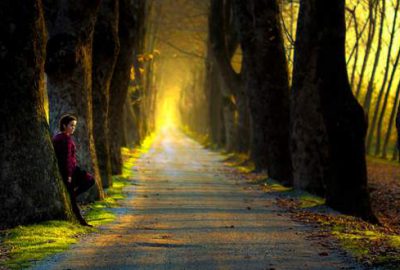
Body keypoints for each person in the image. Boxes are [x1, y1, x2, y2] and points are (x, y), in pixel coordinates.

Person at [52, 114, 94, 226]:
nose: (73, 128)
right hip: (68, 171)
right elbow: (65, 159)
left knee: (90, 180)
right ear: (64, 125)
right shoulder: (63, 139)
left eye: (74, 126)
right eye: (71, 125)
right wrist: (69, 175)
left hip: (72, 169)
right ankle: (81, 221)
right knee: (89, 182)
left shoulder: (63, 137)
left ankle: (74, 198)